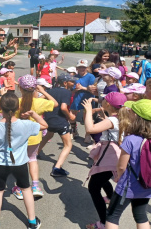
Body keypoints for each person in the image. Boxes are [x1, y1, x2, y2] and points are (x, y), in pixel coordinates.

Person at [0, 93, 48, 229]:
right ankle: (32, 222)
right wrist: (34, 114)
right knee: (26, 190)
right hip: (19, 163)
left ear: (0, 108)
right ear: (18, 107)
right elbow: (44, 125)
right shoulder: (26, 124)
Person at [0, 75, 57, 199]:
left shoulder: (16, 101)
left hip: (18, 138)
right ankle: (35, 186)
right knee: (32, 159)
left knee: (19, 162)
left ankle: (19, 187)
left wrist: (1, 95)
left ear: (20, 88)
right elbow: (55, 103)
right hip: (35, 136)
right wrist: (43, 91)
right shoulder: (40, 102)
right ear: (35, 88)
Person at [82, 93, 127, 229]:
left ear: (107, 104)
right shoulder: (119, 117)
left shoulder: (112, 121)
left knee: (93, 187)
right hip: (116, 155)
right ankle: (110, 196)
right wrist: (106, 118)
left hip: (111, 156)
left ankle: (103, 222)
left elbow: (90, 129)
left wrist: (89, 111)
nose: (101, 102)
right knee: (102, 177)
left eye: (103, 100)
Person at [105, 99, 151, 229]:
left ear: (136, 117)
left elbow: (121, 166)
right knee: (141, 215)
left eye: (132, 112)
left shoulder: (130, 140)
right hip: (147, 186)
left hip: (127, 186)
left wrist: (118, 176)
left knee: (112, 216)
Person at [38, 73, 77, 177]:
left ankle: (36, 153)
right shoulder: (67, 92)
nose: (73, 83)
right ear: (65, 83)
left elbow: (40, 99)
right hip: (60, 121)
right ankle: (57, 168)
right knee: (68, 145)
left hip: (49, 120)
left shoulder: (50, 91)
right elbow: (63, 107)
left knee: (48, 135)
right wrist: (70, 117)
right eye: (71, 81)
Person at [70, 59, 95, 138]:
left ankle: (88, 134)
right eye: (80, 67)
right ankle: (74, 130)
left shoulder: (91, 77)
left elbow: (93, 90)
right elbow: (72, 90)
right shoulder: (75, 77)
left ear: (86, 68)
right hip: (77, 98)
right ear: (77, 68)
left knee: (86, 117)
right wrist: (75, 89)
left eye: (83, 67)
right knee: (71, 115)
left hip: (87, 98)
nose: (81, 69)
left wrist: (82, 88)